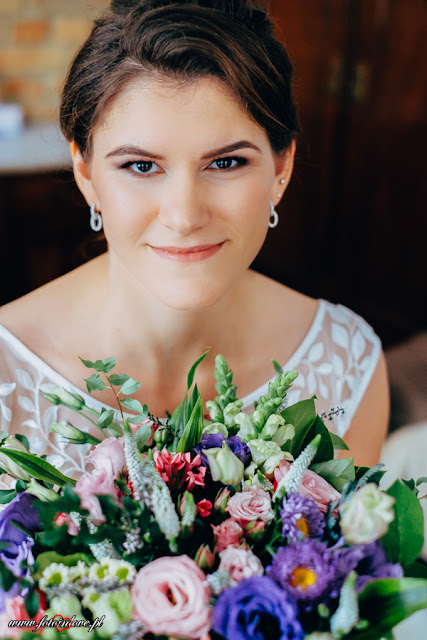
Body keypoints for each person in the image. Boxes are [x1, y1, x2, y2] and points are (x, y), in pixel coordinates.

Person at [0, 0, 388, 486]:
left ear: (281, 168)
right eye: (141, 166)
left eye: (225, 163)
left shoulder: (346, 364)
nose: (184, 217)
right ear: (85, 173)